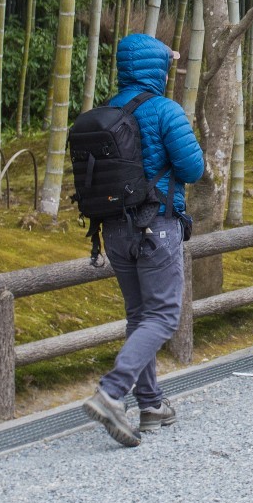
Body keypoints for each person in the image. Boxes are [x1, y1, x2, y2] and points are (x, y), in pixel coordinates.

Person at [81, 33, 206, 447]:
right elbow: (192, 169)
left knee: (140, 315)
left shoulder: (106, 112)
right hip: (157, 226)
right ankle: (112, 392)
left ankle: (150, 404)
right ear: (159, 68)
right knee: (165, 315)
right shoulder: (165, 110)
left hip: (113, 230)